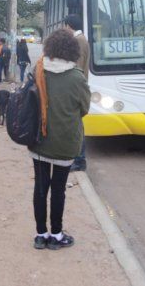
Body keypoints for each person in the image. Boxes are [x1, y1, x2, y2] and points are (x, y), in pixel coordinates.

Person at [29, 28, 90, 250]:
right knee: (58, 189)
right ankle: (56, 235)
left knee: (40, 187)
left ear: (50, 48)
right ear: (72, 51)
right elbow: (84, 109)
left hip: (38, 139)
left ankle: (40, 235)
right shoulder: (77, 77)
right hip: (65, 141)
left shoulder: (38, 70)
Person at [64, 14, 90, 172]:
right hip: (78, 87)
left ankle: (80, 160)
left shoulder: (79, 40)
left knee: (77, 126)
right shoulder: (81, 39)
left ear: (68, 25)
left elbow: (77, 67)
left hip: (76, 88)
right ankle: (77, 158)